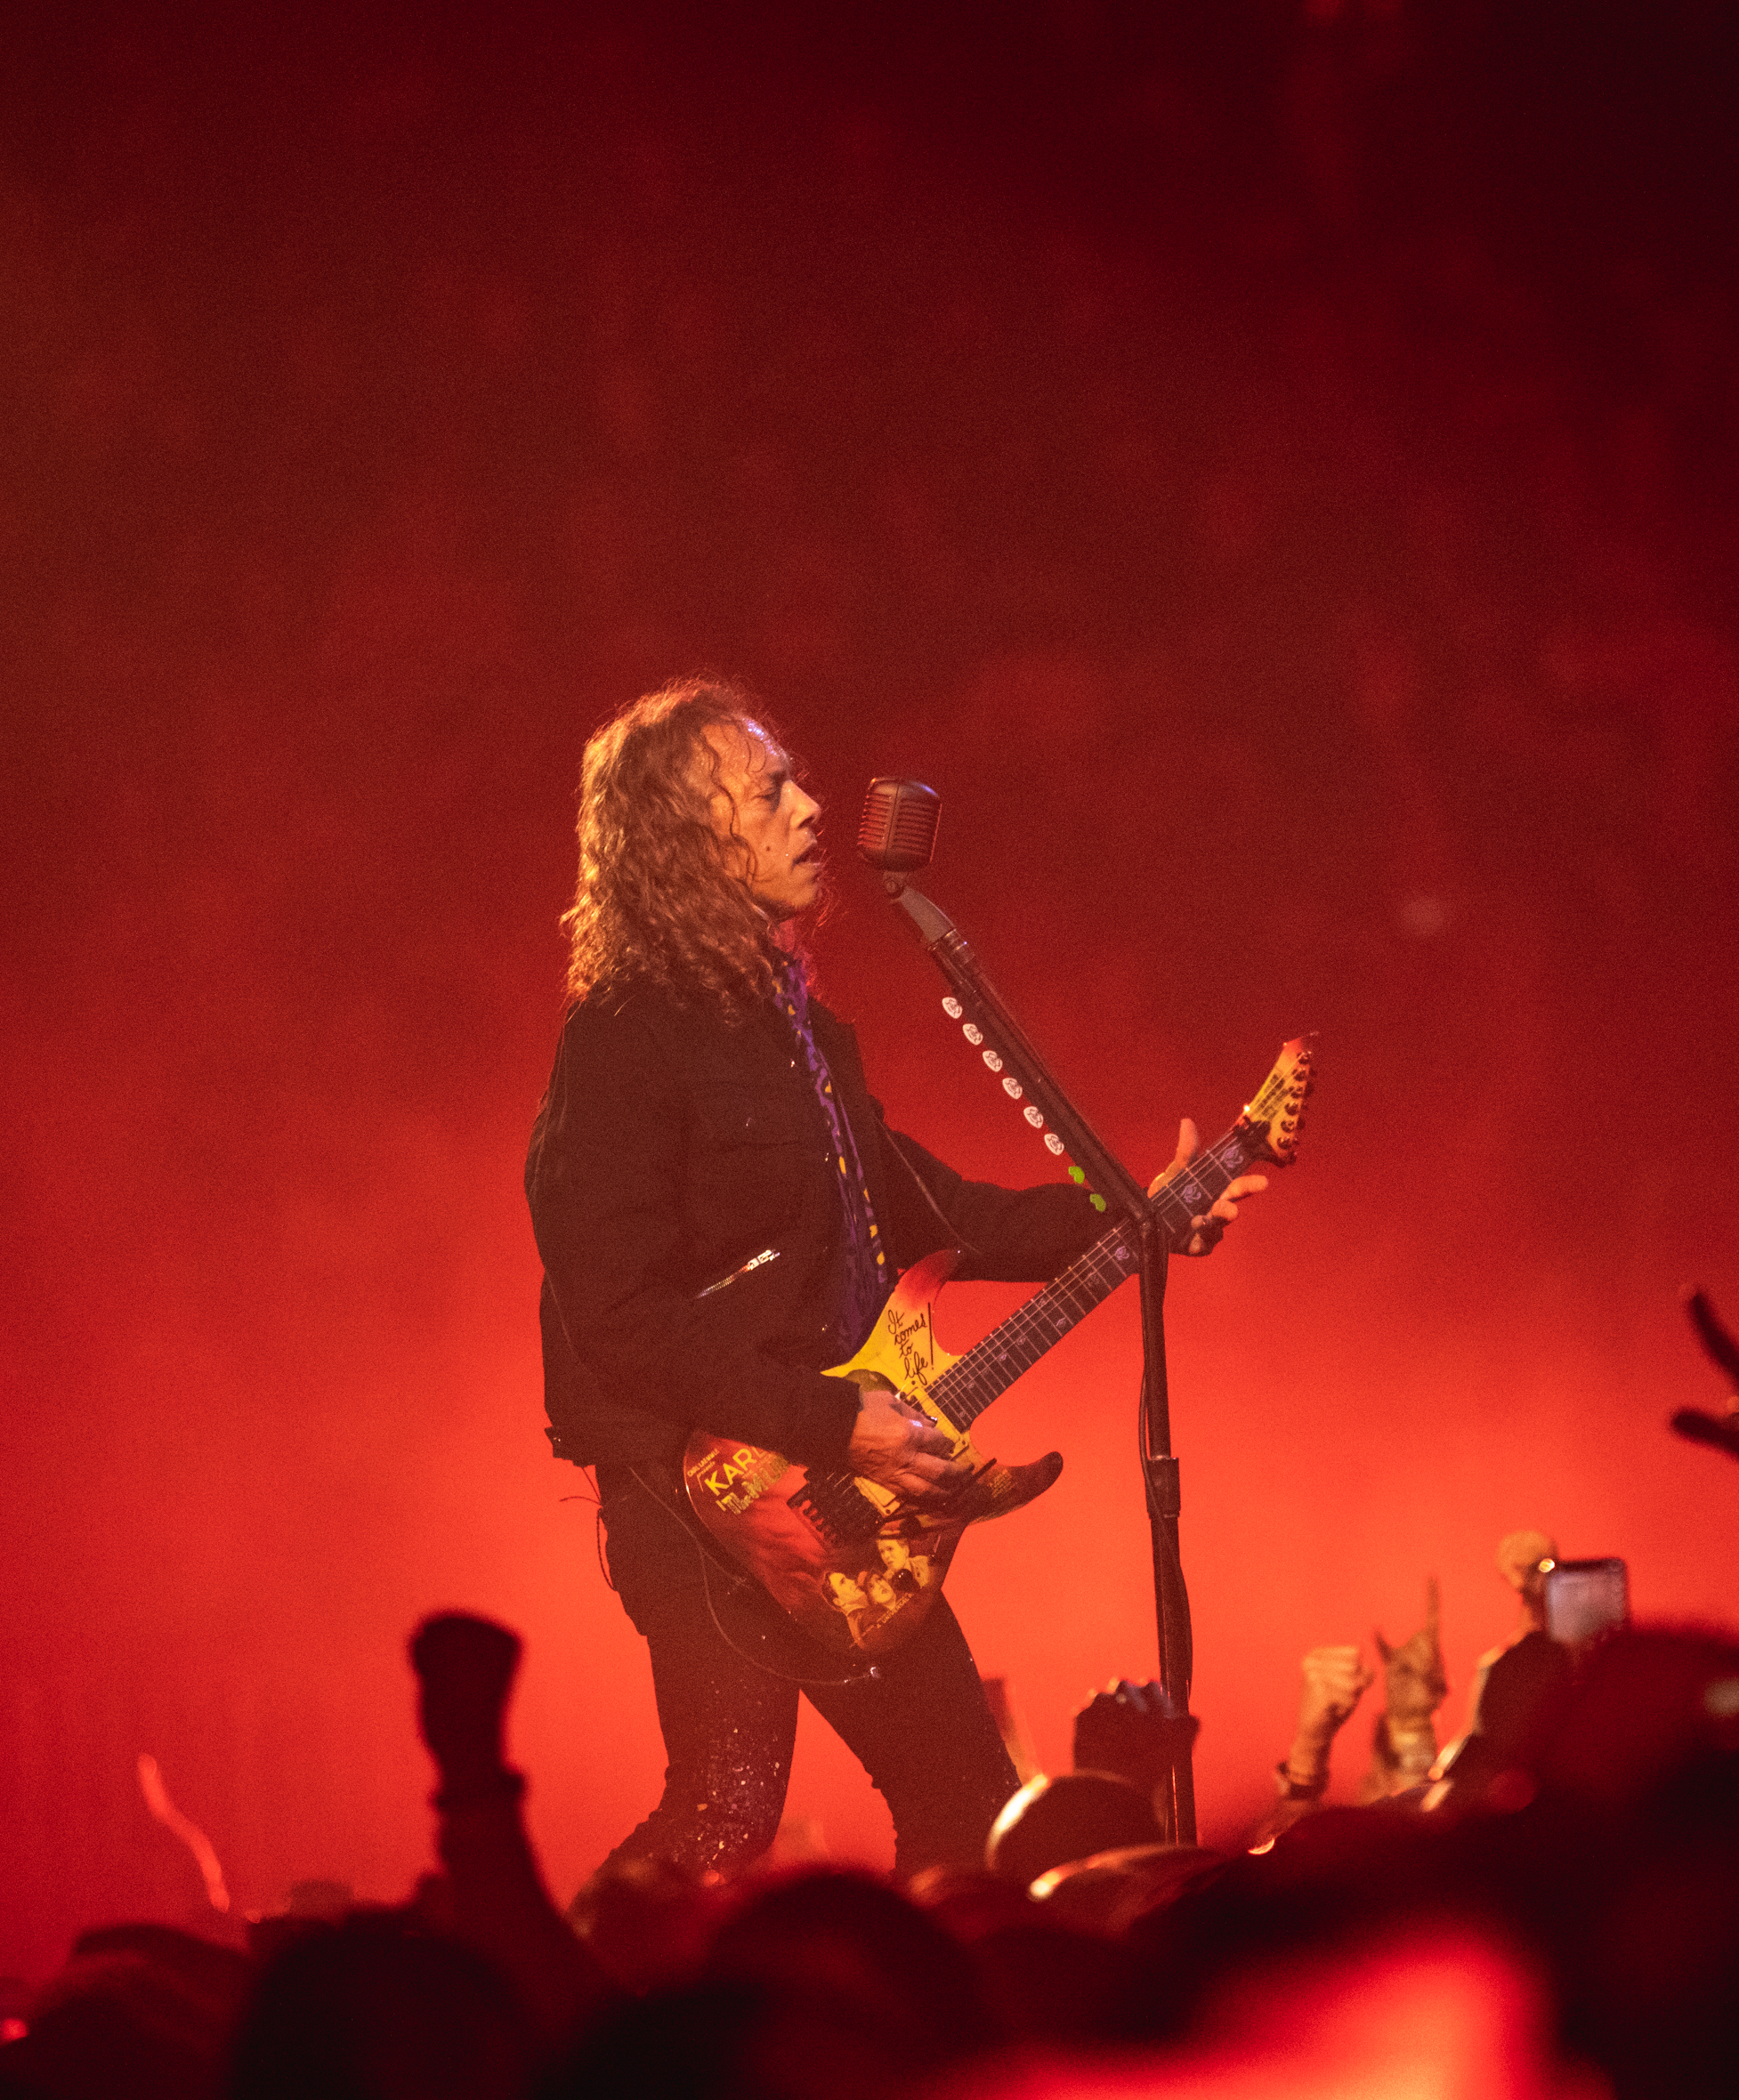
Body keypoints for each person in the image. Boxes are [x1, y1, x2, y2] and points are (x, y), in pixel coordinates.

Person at [525, 680, 1259, 1879]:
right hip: (698, 1502)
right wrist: (828, 1421)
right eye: (771, 791)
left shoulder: (801, 1033)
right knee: (722, 1817)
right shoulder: (623, 1037)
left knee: (974, 1813)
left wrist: (1147, 1214)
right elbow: (615, 1315)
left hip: (840, 1493)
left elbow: (938, 1216)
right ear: (685, 840)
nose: (812, 807)